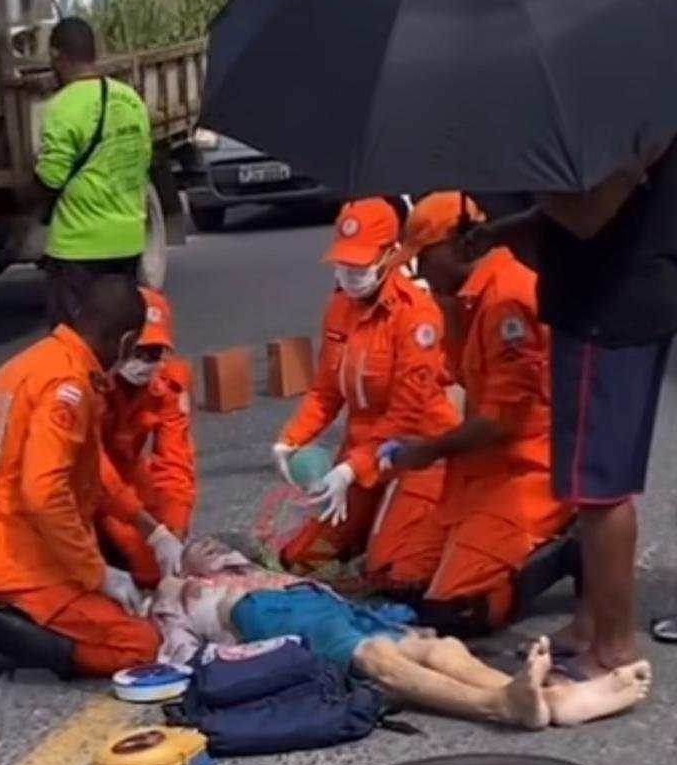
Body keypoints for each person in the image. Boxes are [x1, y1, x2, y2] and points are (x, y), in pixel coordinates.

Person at [467, 140, 677, 673]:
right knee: (590, 486)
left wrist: (517, 177)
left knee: (599, 484)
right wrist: (503, 229)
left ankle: (612, 645)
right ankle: (591, 622)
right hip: (608, 298)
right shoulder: (622, 102)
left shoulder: (636, 116)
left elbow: (589, 211)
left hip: (607, 306)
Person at [0, 275, 161, 686]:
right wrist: (96, 573)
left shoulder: (35, 363)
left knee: (115, 606)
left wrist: (150, 530)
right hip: (20, 559)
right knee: (138, 644)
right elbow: (45, 494)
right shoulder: (68, 388)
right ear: (125, 342)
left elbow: (91, 473)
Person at [152, 544, 651, 729]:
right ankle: (501, 705)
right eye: (199, 548)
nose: (211, 550)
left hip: (323, 602)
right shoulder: (175, 593)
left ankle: (551, 697)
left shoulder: (254, 566)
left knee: (440, 647)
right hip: (269, 616)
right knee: (378, 661)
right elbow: (178, 657)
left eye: (214, 545)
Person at [369, 191, 573, 636]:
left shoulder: (507, 301)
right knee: (400, 583)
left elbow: (504, 421)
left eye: (423, 257)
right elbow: (455, 379)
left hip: (527, 470)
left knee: (456, 610)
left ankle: (568, 548)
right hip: (479, 469)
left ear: (455, 247)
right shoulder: (466, 299)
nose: (418, 271)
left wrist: (429, 451)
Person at [272, 198, 460, 581]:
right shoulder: (339, 308)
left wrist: (350, 470)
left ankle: (438, 528)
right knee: (300, 559)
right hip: (360, 456)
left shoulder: (416, 316)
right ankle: (367, 527)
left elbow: (406, 415)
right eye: (344, 263)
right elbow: (327, 390)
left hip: (416, 454)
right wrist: (290, 440)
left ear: (391, 255)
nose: (351, 273)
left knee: (393, 573)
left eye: (361, 264)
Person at [36, 16, 152, 327]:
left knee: (74, 341)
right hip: (128, 239)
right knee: (120, 336)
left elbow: (51, 177)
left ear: (56, 56)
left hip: (80, 247)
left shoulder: (62, 107)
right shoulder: (131, 99)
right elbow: (143, 157)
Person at [100, 288, 197, 588]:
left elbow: (176, 463)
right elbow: (90, 467)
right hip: (82, 478)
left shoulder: (167, 385)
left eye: (153, 353)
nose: (144, 362)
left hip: (127, 471)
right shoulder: (91, 384)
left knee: (155, 565)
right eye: (137, 352)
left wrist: (174, 534)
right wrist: (149, 529)